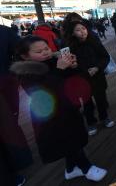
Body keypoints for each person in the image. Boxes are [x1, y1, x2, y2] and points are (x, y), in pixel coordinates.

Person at [10, 36, 107, 182]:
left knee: (71, 140)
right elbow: (46, 90)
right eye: (39, 51)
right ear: (25, 56)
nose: (45, 52)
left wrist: (74, 67)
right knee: (70, 142)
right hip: (50, 116)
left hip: (67, 108)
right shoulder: (25, 74)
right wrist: (60, 69)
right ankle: (86, 168)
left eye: (46, 48)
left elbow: (77, 78)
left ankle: (70, 169)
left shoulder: (53, 62)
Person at [65, 21, 115, 136]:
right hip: (82, 79)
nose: (82, 32)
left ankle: (104, 117)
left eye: (83, 28)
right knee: (87, 102)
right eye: (78, 30)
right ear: (72, 33)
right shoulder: (69, 47)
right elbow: (70, 64)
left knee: (101, 99)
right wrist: (77, 68)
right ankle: (91, 122)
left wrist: (97, 67)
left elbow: (105, 57)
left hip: (97, 76)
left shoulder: (95, 42)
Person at [0, 25, 31, 186]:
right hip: (4, 84)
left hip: (5, 83)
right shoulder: (4, 31)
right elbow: (22, 48)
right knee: (9, 127)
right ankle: (15, 167)